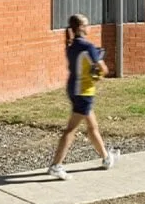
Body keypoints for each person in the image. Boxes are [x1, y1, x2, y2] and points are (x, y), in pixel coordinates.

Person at [48, 13, 120, 181]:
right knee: (71, 129)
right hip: (84, 92)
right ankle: (56, 166)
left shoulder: (71, 46)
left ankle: (106, 158)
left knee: (92, 127)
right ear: (80, 28)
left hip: (73, 89)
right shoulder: (88, 47)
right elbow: (103, 69)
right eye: (86, 24)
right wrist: (98, 73)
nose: (89, 27)